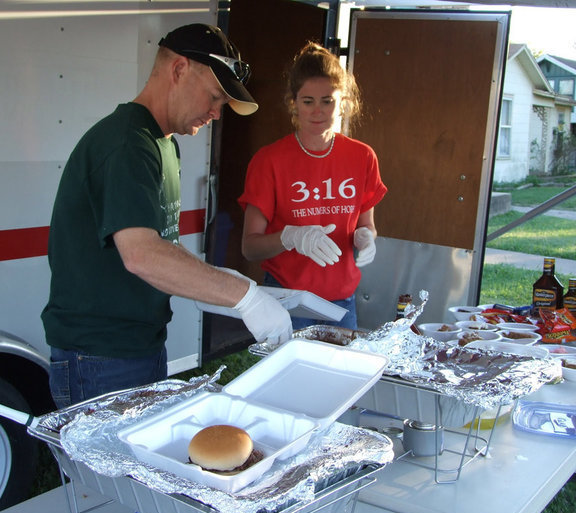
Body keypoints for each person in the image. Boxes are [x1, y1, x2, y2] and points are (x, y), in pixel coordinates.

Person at [41, 24, 292, 409]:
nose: (216, 113)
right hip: (99, 356)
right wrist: (246, 298)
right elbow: (141, 254)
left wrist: (223, 282)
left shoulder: (164, 146)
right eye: (214, 97)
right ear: (178, 70)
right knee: (107, 471)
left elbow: (163, 248)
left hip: (139, 345)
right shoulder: (127, 144)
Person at [237, 42, 387, 331]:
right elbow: (249, 247)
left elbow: (366, 225)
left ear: (343, 101)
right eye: (308, 101)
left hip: (342, 301)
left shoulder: (363, 156)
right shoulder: (269, 160)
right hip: (289, 300)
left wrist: (366, 238)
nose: (318, 111)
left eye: (327, 100)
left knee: (340, 375)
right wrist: (290, 237)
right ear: (293, 103)